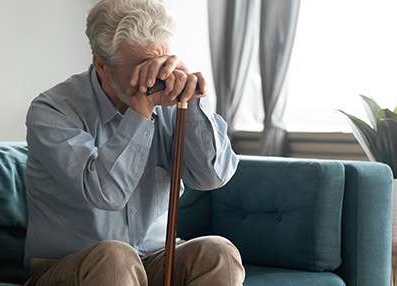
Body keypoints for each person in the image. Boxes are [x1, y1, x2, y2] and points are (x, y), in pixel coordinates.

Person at [23, 0, 243, 285]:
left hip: (155, 258)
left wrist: (195, 102)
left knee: (219, 253)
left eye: (161, 61)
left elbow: (212, 177)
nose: (157, 77)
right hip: (72, 265)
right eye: (142, 66)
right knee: (116, 259)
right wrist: (140, 113)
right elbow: (106, 194)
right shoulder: (51, 111)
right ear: (102, 65)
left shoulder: (170, 96)